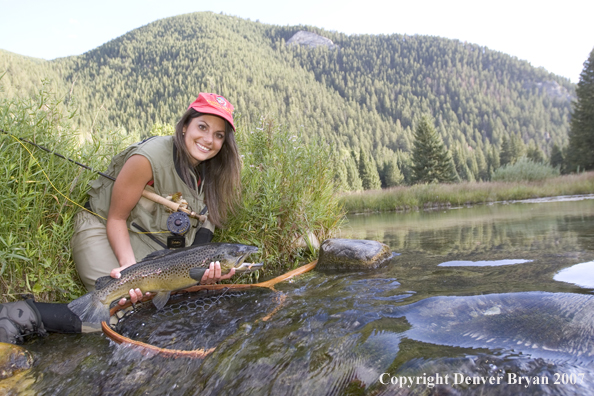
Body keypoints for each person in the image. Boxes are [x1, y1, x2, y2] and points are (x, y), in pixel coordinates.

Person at [0, 93, 242, 344]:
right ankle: (22, 315)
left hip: (150, 242)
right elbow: (115, 218)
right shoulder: (149, 158)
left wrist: (204, 269)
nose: (208, 140)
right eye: (202, 127)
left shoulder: (214, 168)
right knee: (120, 314)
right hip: (104, 226)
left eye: (218, 135)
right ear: (184, 127)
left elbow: (203, 232)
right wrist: (130, 270)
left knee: (173, 304)